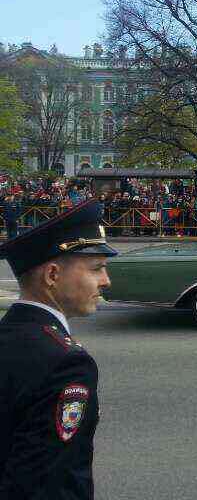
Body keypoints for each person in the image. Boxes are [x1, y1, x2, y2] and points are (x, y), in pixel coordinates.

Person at [0, 199, 118, 499]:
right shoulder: (65, 363)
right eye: (96, 268)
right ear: (52, 275)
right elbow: (51, 484)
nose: (106, 280)